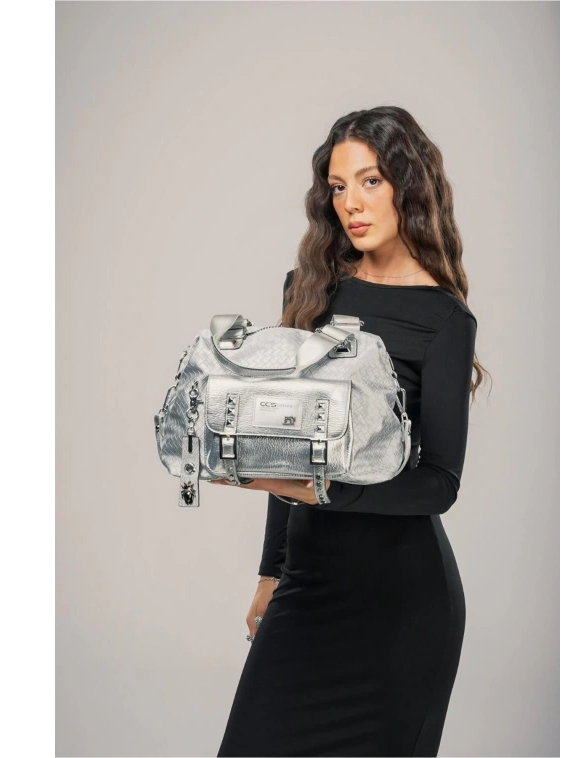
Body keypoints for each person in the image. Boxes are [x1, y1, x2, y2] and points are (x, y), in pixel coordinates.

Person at [212, 105, 489, 757]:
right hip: (308, 589)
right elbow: (289, 450)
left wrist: (324, 491)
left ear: (407, 186)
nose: (351, 204)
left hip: (400, 609)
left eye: (370, 181)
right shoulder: (309, 292)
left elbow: (439, 483)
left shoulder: (444, 321)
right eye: (338, 187)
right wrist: (271, 573)